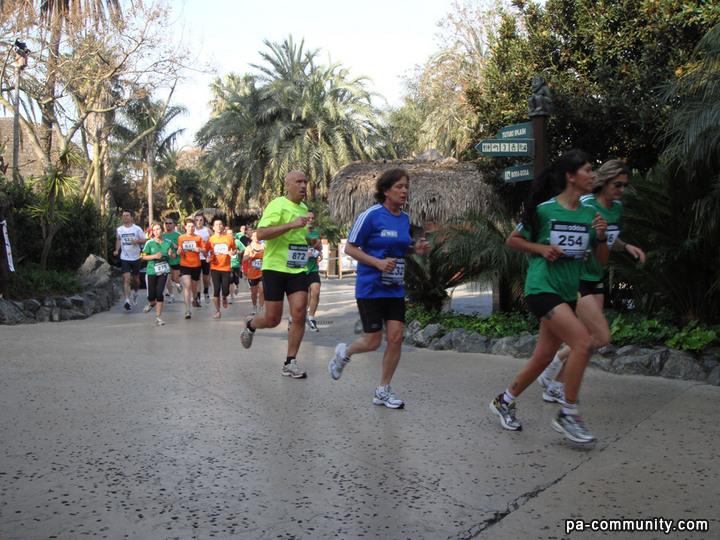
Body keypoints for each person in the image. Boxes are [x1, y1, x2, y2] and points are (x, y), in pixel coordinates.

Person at [490, 149, 609, 443]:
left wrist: (603, 237)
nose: (594, 175)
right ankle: (568, 413)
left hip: (568, 292)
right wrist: (542, 249)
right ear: (571, 176)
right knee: (582, 342)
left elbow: (601, 260)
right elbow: (513, 240)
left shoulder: (589, 215)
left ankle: (504, 401)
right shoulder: (545, 211)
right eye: (588, 170)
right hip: (542, 288)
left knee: (544, 356)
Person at [537, 159, 646, 402]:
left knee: (591, 337)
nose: (621, 190)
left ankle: (554, 370)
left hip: (596, 275)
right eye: (617, 184)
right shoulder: (586, 205)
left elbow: (608, 238)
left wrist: (626, 246)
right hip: (577, 278)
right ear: (604, 183)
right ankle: (555, 382)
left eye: (624, 186)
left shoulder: (616, 208)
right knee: (596, 337)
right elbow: (569, 235)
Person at [327, 168, 430, 408]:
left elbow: (399, 248)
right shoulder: (371, 215)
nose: (404, 191)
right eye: (399, 187)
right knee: (372, 342)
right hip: (370, 287)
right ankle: (344, 354)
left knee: (395, 338)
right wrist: (377, 263)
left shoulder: (404, 219)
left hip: (394, 286)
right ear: (385, 191)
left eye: (406, 186)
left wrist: (415, 249)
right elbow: (350, 248)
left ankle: (383, 390)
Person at [239, 170, 321, 379]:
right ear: (288, 185)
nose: (303, 185)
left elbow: (299, 237)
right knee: (273, 319)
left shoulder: (303, 208)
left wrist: (312, 241)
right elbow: (262, 233)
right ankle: (251, 324)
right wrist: (291, 224)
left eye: (305, 182)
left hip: (297, 268)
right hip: (275, 268)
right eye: (299, 182)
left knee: (300, 312)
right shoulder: (277, 205)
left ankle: (290, 361)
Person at [140, 222, 175, 325]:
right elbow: (143, 256)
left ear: (162, 230)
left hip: (163, 271)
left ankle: (158, 317)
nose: (156, 232)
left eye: (158, 229)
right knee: (151, 295)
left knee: (159, 294)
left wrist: (170, 254)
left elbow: (173, 257)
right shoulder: (149, 243)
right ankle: (151, 304)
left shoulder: (168, 243)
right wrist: (154, 256)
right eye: (154, 230)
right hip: (151, 271)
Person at [113, 210, 146, 310]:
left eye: (127, 216)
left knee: (136, 279)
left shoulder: (137, 229)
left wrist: (136, 241)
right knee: (126, 279)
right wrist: (117, 250)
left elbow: (145, 240)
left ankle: (135, 293)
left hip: (135, 257)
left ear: (131, 217)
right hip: (125, 257)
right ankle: (127, 301)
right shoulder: (119, 229)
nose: (125, 217)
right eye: (123, 216)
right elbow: (118, 239)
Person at [205, 217, 237, 319]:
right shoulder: (211, 240)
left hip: (226, 267)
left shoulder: (229, 238)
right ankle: (217, 310)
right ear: (213, 227)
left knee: (226, 290)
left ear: (223, 227)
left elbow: (235, 249)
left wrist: (233, 252)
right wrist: (207, 257)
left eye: (220, 224)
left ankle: (224, 297)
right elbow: (206, 251)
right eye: (216, 225)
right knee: (216, 290)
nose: (219, 226)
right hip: (215, 267)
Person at [177, 216, 206, 319]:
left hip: (196, 265)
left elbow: (204, 249)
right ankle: (187, 310)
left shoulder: (198, 238)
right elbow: (179, 250)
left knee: (194, 288)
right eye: (189, 226)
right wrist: (178, 252)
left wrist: (200, 250)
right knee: (187, 286)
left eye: (193, 226)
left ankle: (195, 298)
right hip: (184, 264)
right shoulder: (181, 237)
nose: (191, 228)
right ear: (185, 227)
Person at [305, 210, 322, 332]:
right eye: (309, 218)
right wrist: (306, 254)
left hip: (313, 268)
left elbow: (319, 247)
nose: (311, 220)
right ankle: (297, 319)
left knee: (316, 291)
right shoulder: (298, 234)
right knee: (304, 297)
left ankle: (311, 318)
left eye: (312, 218)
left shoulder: (316, 233)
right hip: (301, 268)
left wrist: (319, 253)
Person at [242, 231, 265, 313]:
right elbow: (244, 260)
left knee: (262, 289)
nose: (256, 237)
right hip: (252, 273)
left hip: (262, 272)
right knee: (254, 292)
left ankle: (261, 307)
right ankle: (254, 306)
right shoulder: (249, 248)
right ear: (251, 237)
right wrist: (250, 256)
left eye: (258, 235)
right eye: (254, 236)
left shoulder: (263, 246)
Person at [163, 218, 182, 303]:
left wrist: (177, 247)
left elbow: (182, 247)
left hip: (176, 259)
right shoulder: (163, 236)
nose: (168, 225)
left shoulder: (178, 235)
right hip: (166, 260)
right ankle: (171, 295)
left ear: (173, 225)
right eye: (166, 223)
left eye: (170, 223)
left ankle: (178, 283)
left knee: (175, 278)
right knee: (168, 278)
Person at [194, 213, 212, 304]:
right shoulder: (192, 231)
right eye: (197, 220)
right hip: (196, 258)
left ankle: (206, 290)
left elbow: (214, 240)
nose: (199, 222)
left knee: (206, 278)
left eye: (201, 220)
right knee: (197, 278)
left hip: (206, 257)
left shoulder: (207, 230)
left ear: (203, 221)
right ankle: (198, 297)